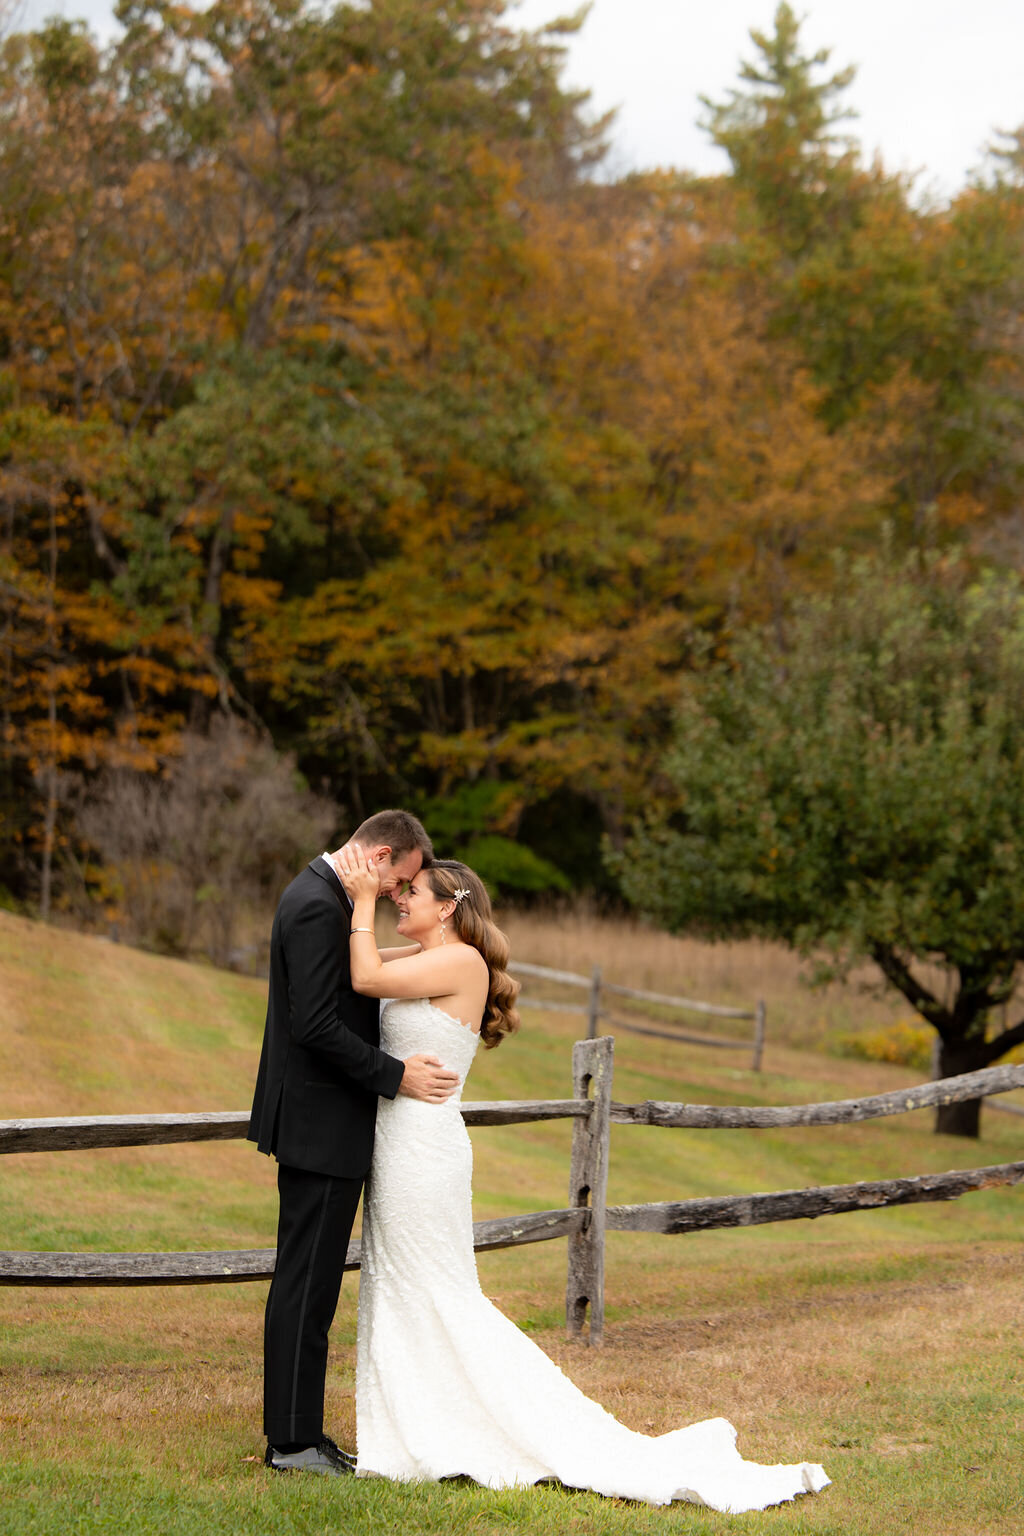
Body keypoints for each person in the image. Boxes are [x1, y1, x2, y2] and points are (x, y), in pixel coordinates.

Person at [333, 843, 832, 1513]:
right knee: (400, 1284)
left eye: (411, 893)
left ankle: (492, 1428)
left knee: (437, 1288)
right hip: (396, 1144)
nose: (400, 898)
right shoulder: (429, 957)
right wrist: (351, 909)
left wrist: (362, 897)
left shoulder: (460, 960)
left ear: (449, 907)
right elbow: (357, 960)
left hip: (423, 1149)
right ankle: (414, 1430)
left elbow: (363, 976)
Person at [248, 810, 461, 1476]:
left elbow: (356, 981)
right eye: (400, 881)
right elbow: (313, 1025)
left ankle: (301, 1434)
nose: (401, 895)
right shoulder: (317, 905)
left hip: (324, 1124)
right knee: (305, 1288)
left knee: (311, 1288)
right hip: (318, 1124)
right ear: (382, 855)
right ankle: (292, 1445)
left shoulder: (330, 896)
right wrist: (395, 1075)